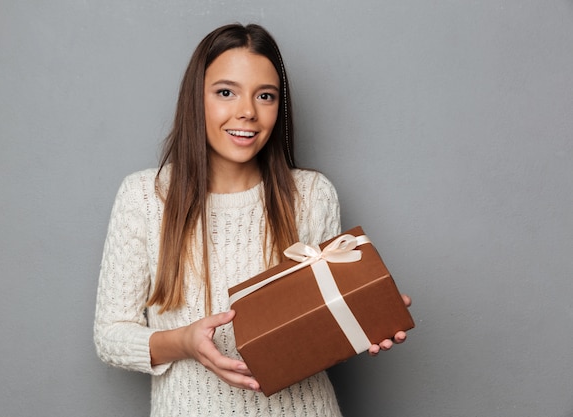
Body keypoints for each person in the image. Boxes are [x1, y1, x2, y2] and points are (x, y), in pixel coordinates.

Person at [94, 23, 410, 417]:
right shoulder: (144, 196)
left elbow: (317, 338)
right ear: (196, 98)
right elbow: (110, 336)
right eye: (226, 92)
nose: (247, 111)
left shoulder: (312, 194)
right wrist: (185, 342)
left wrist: (361, 323)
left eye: (265, 96)